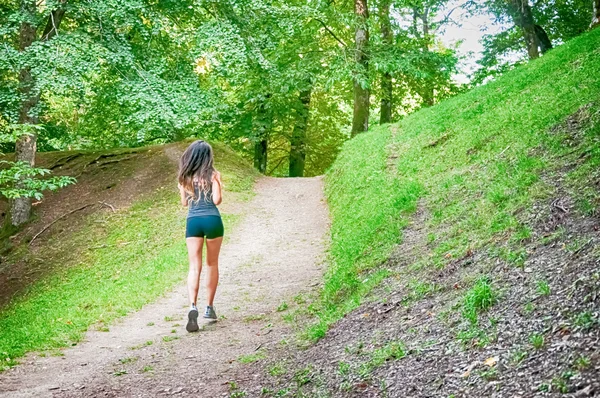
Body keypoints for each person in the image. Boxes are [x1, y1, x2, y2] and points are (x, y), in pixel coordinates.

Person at [177, 140, 224, 333]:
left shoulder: (185, 178)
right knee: (211, 264)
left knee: (194, 266)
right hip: (212, 220)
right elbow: (217, 200)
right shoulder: (213, 174)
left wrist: (184, 189)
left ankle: (192, 306)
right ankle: (209, 308)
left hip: (193, 222)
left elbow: (184, 204)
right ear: (208, 156)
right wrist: (218, 182)